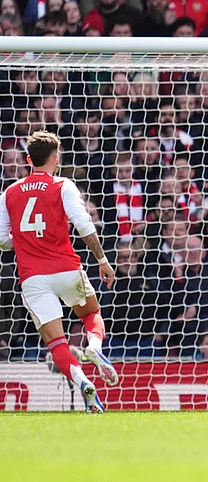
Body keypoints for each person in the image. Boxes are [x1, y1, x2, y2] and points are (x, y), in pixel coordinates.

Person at [0, 131, 117, 414]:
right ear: (56, 158)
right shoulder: (63, 185)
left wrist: (27, 242)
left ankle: (83, 381)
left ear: (29, 159)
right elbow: (83, 224)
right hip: (66, 269)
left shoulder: (8, 193)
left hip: (33, 278)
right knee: (91, 315)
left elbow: (3, 240)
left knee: (56, 342)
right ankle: (94, 347)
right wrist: (102, 259)